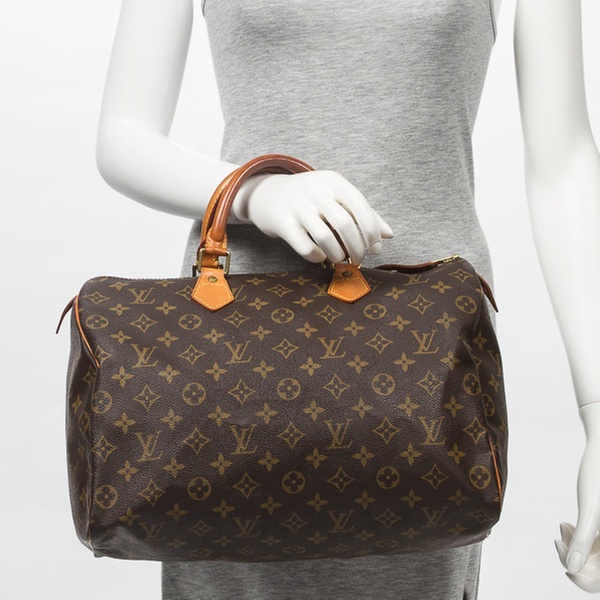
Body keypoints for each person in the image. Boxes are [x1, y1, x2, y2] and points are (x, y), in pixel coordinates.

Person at [96, 0, 600, 597]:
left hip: (425, 353)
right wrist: (255, 193)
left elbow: (564, 161)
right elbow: (123, 137)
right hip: (236, 350)